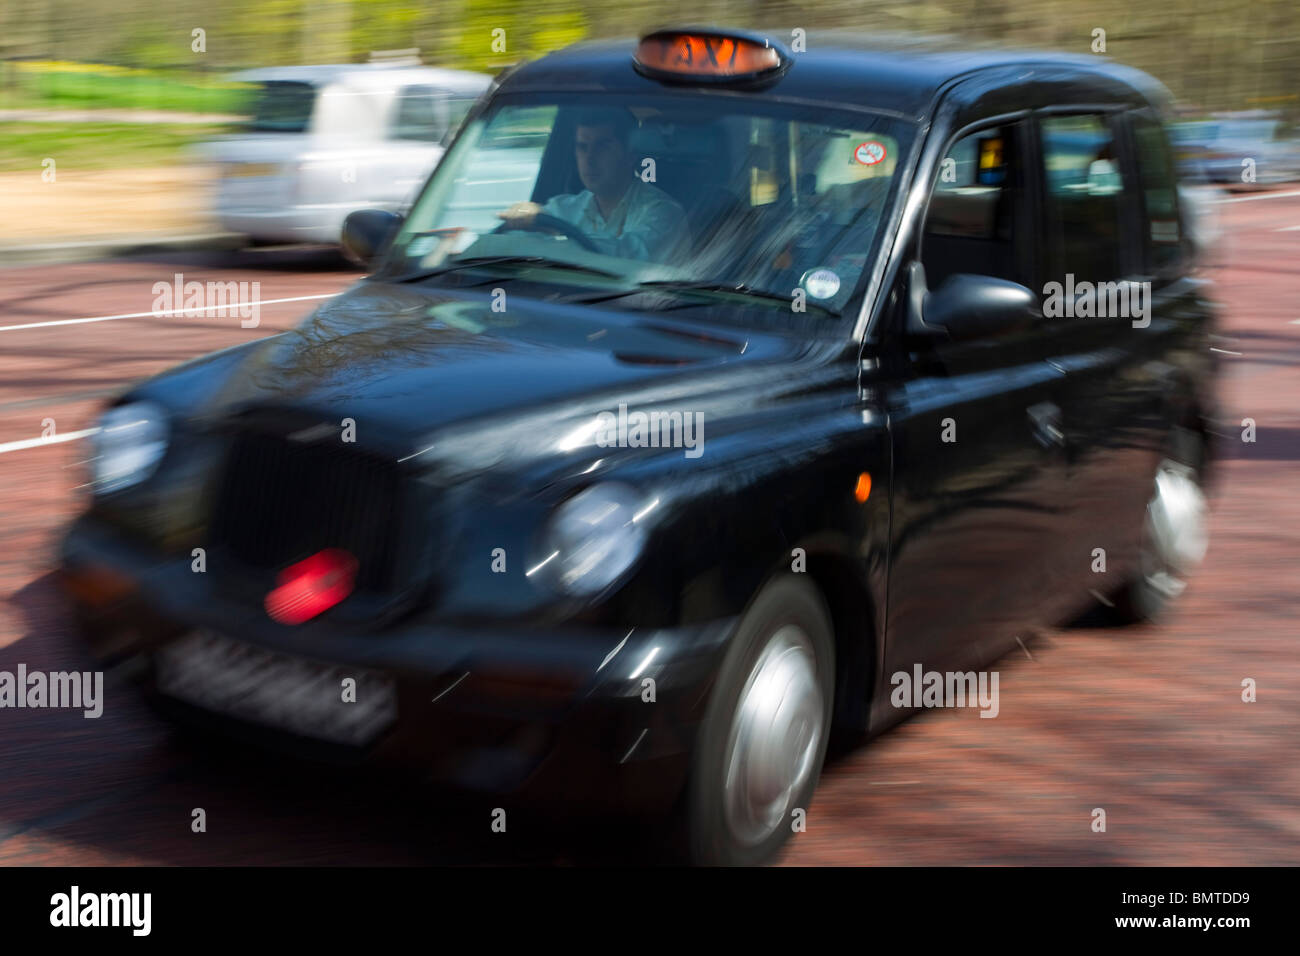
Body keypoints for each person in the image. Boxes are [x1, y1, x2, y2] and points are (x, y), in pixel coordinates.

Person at [496, 108, 690, 262]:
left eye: (602, 146)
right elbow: (513, 246)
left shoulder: (664, 213)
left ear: (630, 155)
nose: (589, 159)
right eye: (583, 147)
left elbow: (631, 256)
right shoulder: (562, 208)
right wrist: (523, 219)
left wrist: (557, 232)